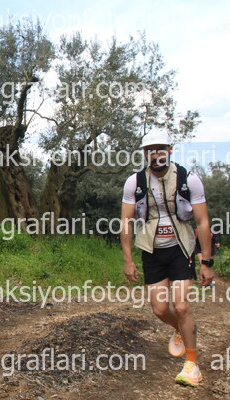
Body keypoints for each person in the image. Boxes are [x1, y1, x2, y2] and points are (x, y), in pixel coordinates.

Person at [120, 130, 214, 387]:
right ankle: (180, 330)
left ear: (170, 150)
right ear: (144, 154)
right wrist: (128, 260)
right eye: (150, 150)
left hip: (181, 248)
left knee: (181, 307)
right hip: (152, 251)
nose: (156, 154)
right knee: (160, 309)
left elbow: (202, 221)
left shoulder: (188, 179)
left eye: (160, 148)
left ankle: (192, 365)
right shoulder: (134, 183)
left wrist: (206, 262)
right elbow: (126, 222)